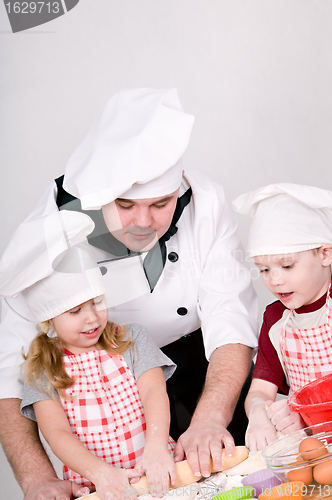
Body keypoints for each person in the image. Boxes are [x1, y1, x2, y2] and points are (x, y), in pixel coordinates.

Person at [0, 88, 258, 500]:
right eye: (125, 204)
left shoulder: (204, 201)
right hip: (105, 412)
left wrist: (211, 417)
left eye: (161, 203)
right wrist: (36, 477)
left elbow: (230, 317)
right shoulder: (46, 233)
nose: (144, 222)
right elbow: (12, 373)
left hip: (200, 366)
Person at [1, 210, 177, 500]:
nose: (92, 318)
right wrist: (102, 474)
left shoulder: (132, 339)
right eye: (75, 311)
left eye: (97, 302)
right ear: (49, 321)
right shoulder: (43, 370)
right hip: (100, 487)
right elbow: (57, 433)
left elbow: (154, 392)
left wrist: (156, 448)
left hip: (157, 468)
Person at [232, 183, 332, 452]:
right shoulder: (275, 319)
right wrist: (258, 416)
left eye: (287, 266)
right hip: (315, 447)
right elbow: (260, 392)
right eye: (264, 269)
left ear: (325, 253)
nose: (274, 280)